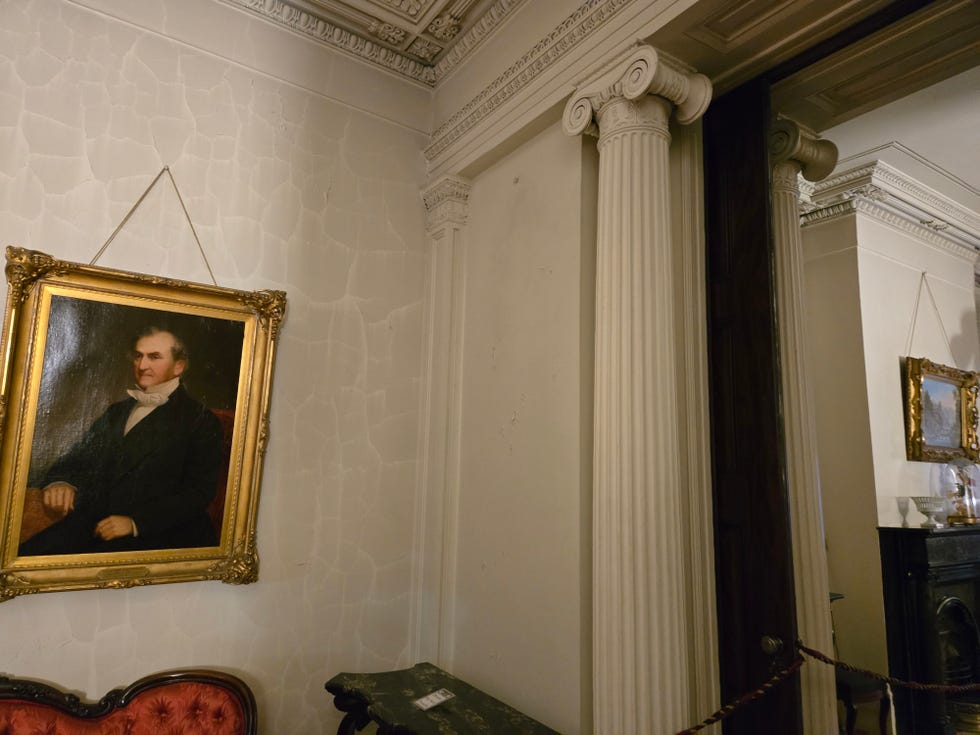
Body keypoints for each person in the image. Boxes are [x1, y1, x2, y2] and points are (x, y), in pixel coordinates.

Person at [18, 327, 224, 556]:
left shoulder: (201, 420)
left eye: (154, 357)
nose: (142, 365)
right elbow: (79, 457)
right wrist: (60, 482)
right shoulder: (117, 411)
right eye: (138, 356)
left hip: (161, 534)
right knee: (25, 559)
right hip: (94, 522)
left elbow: (198, 493)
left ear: (179, 366)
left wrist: (135, 523)